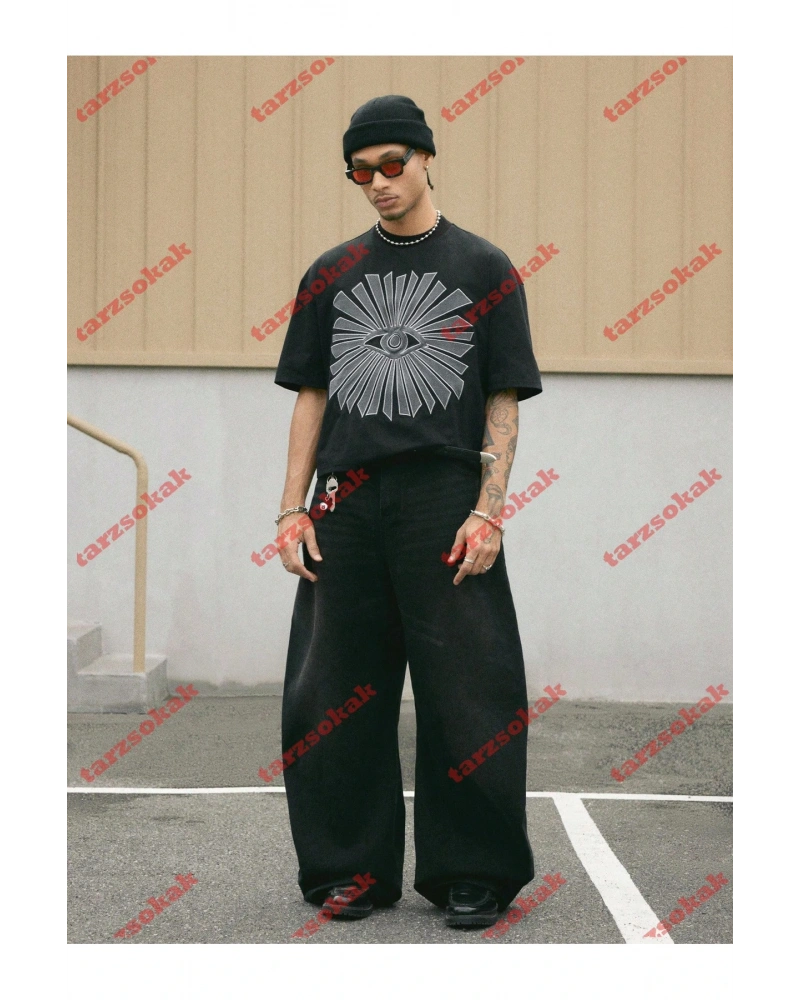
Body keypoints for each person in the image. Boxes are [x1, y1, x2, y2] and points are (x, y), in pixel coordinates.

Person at [273, 95, 542, 930]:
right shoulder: (330, 272)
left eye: (393, 164)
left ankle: (473, 871)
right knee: (332, 692)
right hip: (345, 501)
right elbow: (311, 395)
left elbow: (503, 397)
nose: (379, 182)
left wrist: (490, 511)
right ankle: (349, 869)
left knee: (470, 687)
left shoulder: (484, 267)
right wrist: (290, 509)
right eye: (361, 172)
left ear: (427, 158)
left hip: (443, 497)